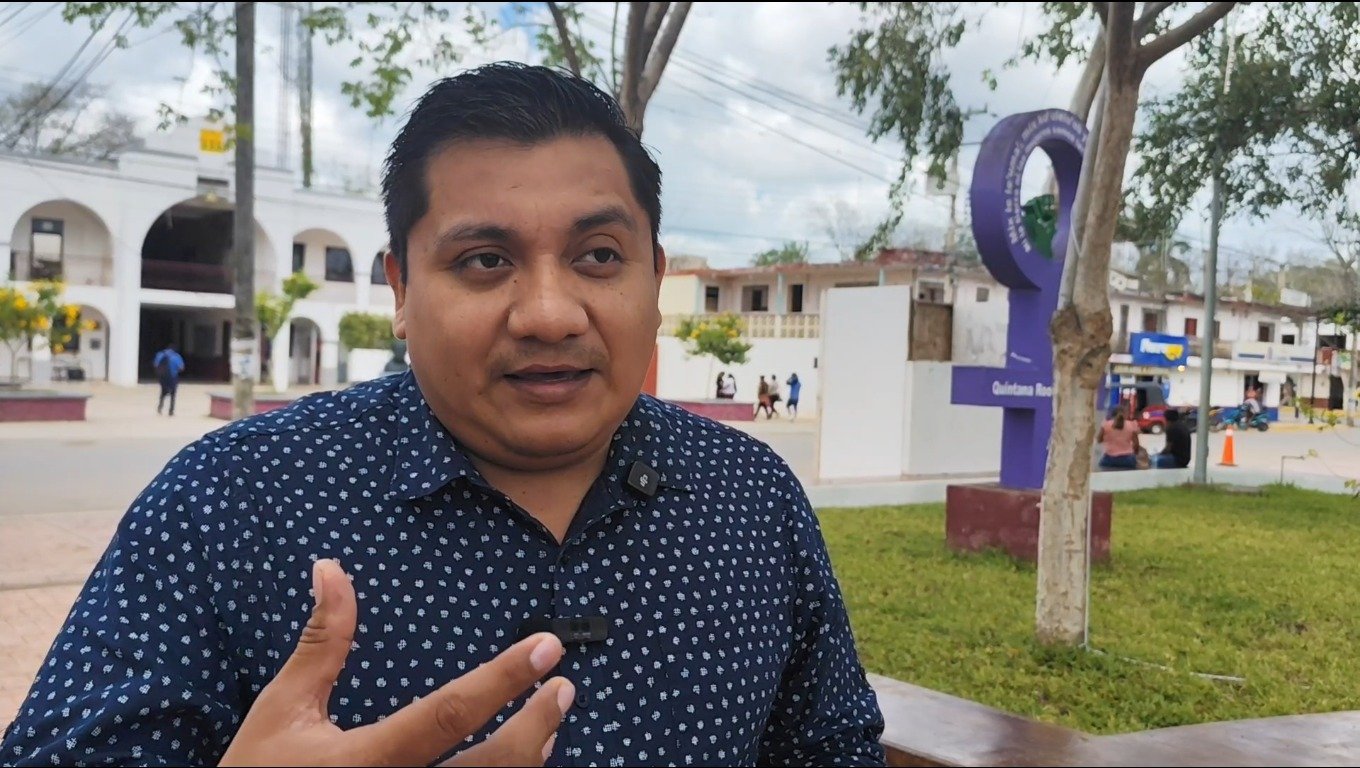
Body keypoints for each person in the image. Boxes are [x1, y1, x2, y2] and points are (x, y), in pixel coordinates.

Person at [1, 63, 884, 767]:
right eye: (486, 260)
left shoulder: (752, 499)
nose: (549, 314)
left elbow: (832, 748)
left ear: (656, 275)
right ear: (400, 288)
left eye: (598, 255)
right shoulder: (231, 503)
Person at [152, 341, 185, 416]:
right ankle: (171, 411)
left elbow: (155, 365)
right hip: (173, 377)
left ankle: (160, 407)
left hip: (162, 377)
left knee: (163, 392)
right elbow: (181, 368)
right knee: (173, 394)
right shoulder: (177, 356)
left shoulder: (160, 354)